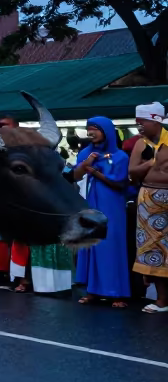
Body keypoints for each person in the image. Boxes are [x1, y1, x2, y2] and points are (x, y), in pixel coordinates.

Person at [73, 116, 132, 307]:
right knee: (91, 245)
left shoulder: (120, 156)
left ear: (106, 131)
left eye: (95, 129)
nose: (91, 133)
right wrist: (85, 165)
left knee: (111, 246)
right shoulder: (85, 153)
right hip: (89, 204)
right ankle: (92, 291)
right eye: (89, 129)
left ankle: (117, 293)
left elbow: (119, 183)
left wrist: (95, 172)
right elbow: (74, 175)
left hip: (111, 206)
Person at [130, 102, 168, 313]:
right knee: (152, 249)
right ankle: (162, 300)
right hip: (148, 198)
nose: (140, 127)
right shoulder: (140, 144)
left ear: (157, 121)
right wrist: (148, 164)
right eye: (137, 123)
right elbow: (132, 173)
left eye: (143, 122)